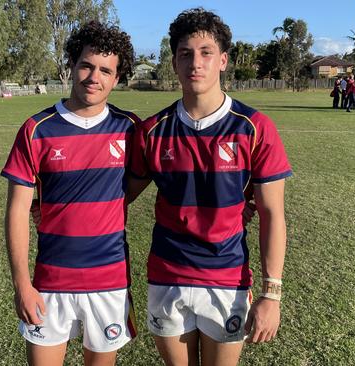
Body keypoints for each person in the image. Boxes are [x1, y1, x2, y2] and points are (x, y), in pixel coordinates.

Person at [127, 8, 291, 366]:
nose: (195, 63)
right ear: (174, 62)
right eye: (185, 54)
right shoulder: (153, 131)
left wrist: (272, 294)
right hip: (166, 275)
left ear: (223, 61)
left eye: (206, 53)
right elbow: (118, 197)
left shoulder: (254, 128)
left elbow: (272, 214)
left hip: (226, 280)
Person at [1, 21, 137, 366]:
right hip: (50, 281)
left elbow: (172, 174)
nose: (95, 77)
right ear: (71, 66)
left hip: (109, 281)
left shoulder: (131, 129)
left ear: (116, 79)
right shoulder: (36, 130)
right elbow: (17, 210)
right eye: (87, 65)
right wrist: (22, 285)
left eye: (106, 70)